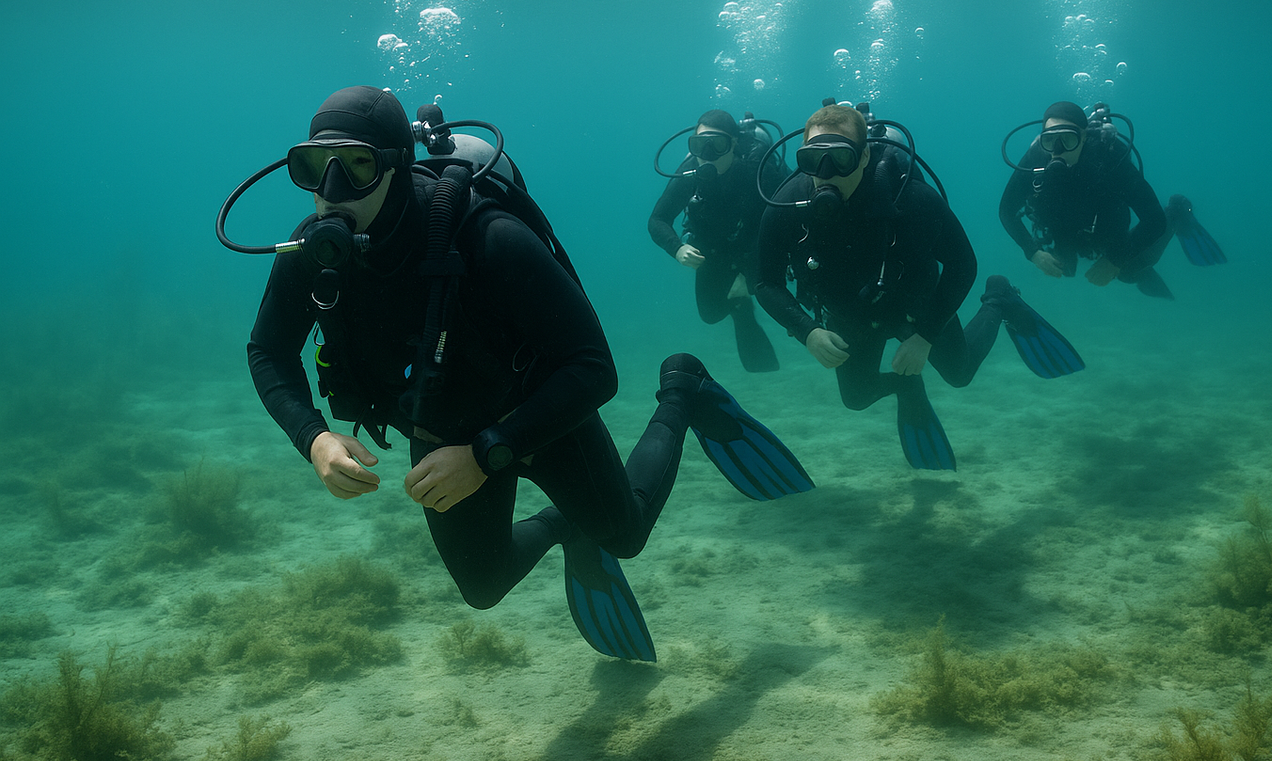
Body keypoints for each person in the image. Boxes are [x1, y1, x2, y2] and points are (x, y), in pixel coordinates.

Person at [242, 86, 812, 662]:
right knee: (484, 587)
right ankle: (567, 525)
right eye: (313, 167)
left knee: (627, 534)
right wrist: (312, 438)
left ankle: (683, 388)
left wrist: (487, 452)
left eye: (358, 166)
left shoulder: (489, 237)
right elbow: (268, 350)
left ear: (396, 165)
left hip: (541, 417)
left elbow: (594, 369)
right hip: (443, 433)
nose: (330, 191)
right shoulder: (312, 256)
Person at [754, 102, 1083, 472]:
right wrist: (808, 331)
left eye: (840, 159)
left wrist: (925, 336)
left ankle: (1000, 298)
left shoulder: (911, 200)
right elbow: (765, 282)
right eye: (813, 159)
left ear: (864, 157)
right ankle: (906, 387)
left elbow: (963, 264)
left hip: (915, 304)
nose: (825, 173)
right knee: (856, 398)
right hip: (849, 311)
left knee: (959, 375)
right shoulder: (785, 205)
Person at [999, 100, 1225, 300]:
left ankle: (1177, 210)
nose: (1058, 151)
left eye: (1068, 139)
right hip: (1064, 228)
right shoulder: (1034, 159)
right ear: (1042, 140)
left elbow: (1154, 221)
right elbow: (1006, 211)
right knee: (1063, 268)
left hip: (1108, 227)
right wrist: (1033, 253)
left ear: (1085, 136)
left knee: (1130, 272)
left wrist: (1114, 260)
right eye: (1050, 141)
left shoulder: (1109, 158)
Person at [648, 110, 786, 372]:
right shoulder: (691, 172)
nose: (708, 153)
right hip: (712, 250)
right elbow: (657, 220)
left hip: (755, 247)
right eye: (700, 145)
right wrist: (677, 248)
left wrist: (756, 271)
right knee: (710, 315)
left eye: (718, 144)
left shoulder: (759, 170)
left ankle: (745, 296)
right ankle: (739, 306)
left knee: (768, 295)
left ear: (734, 143)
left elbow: (785, 218)